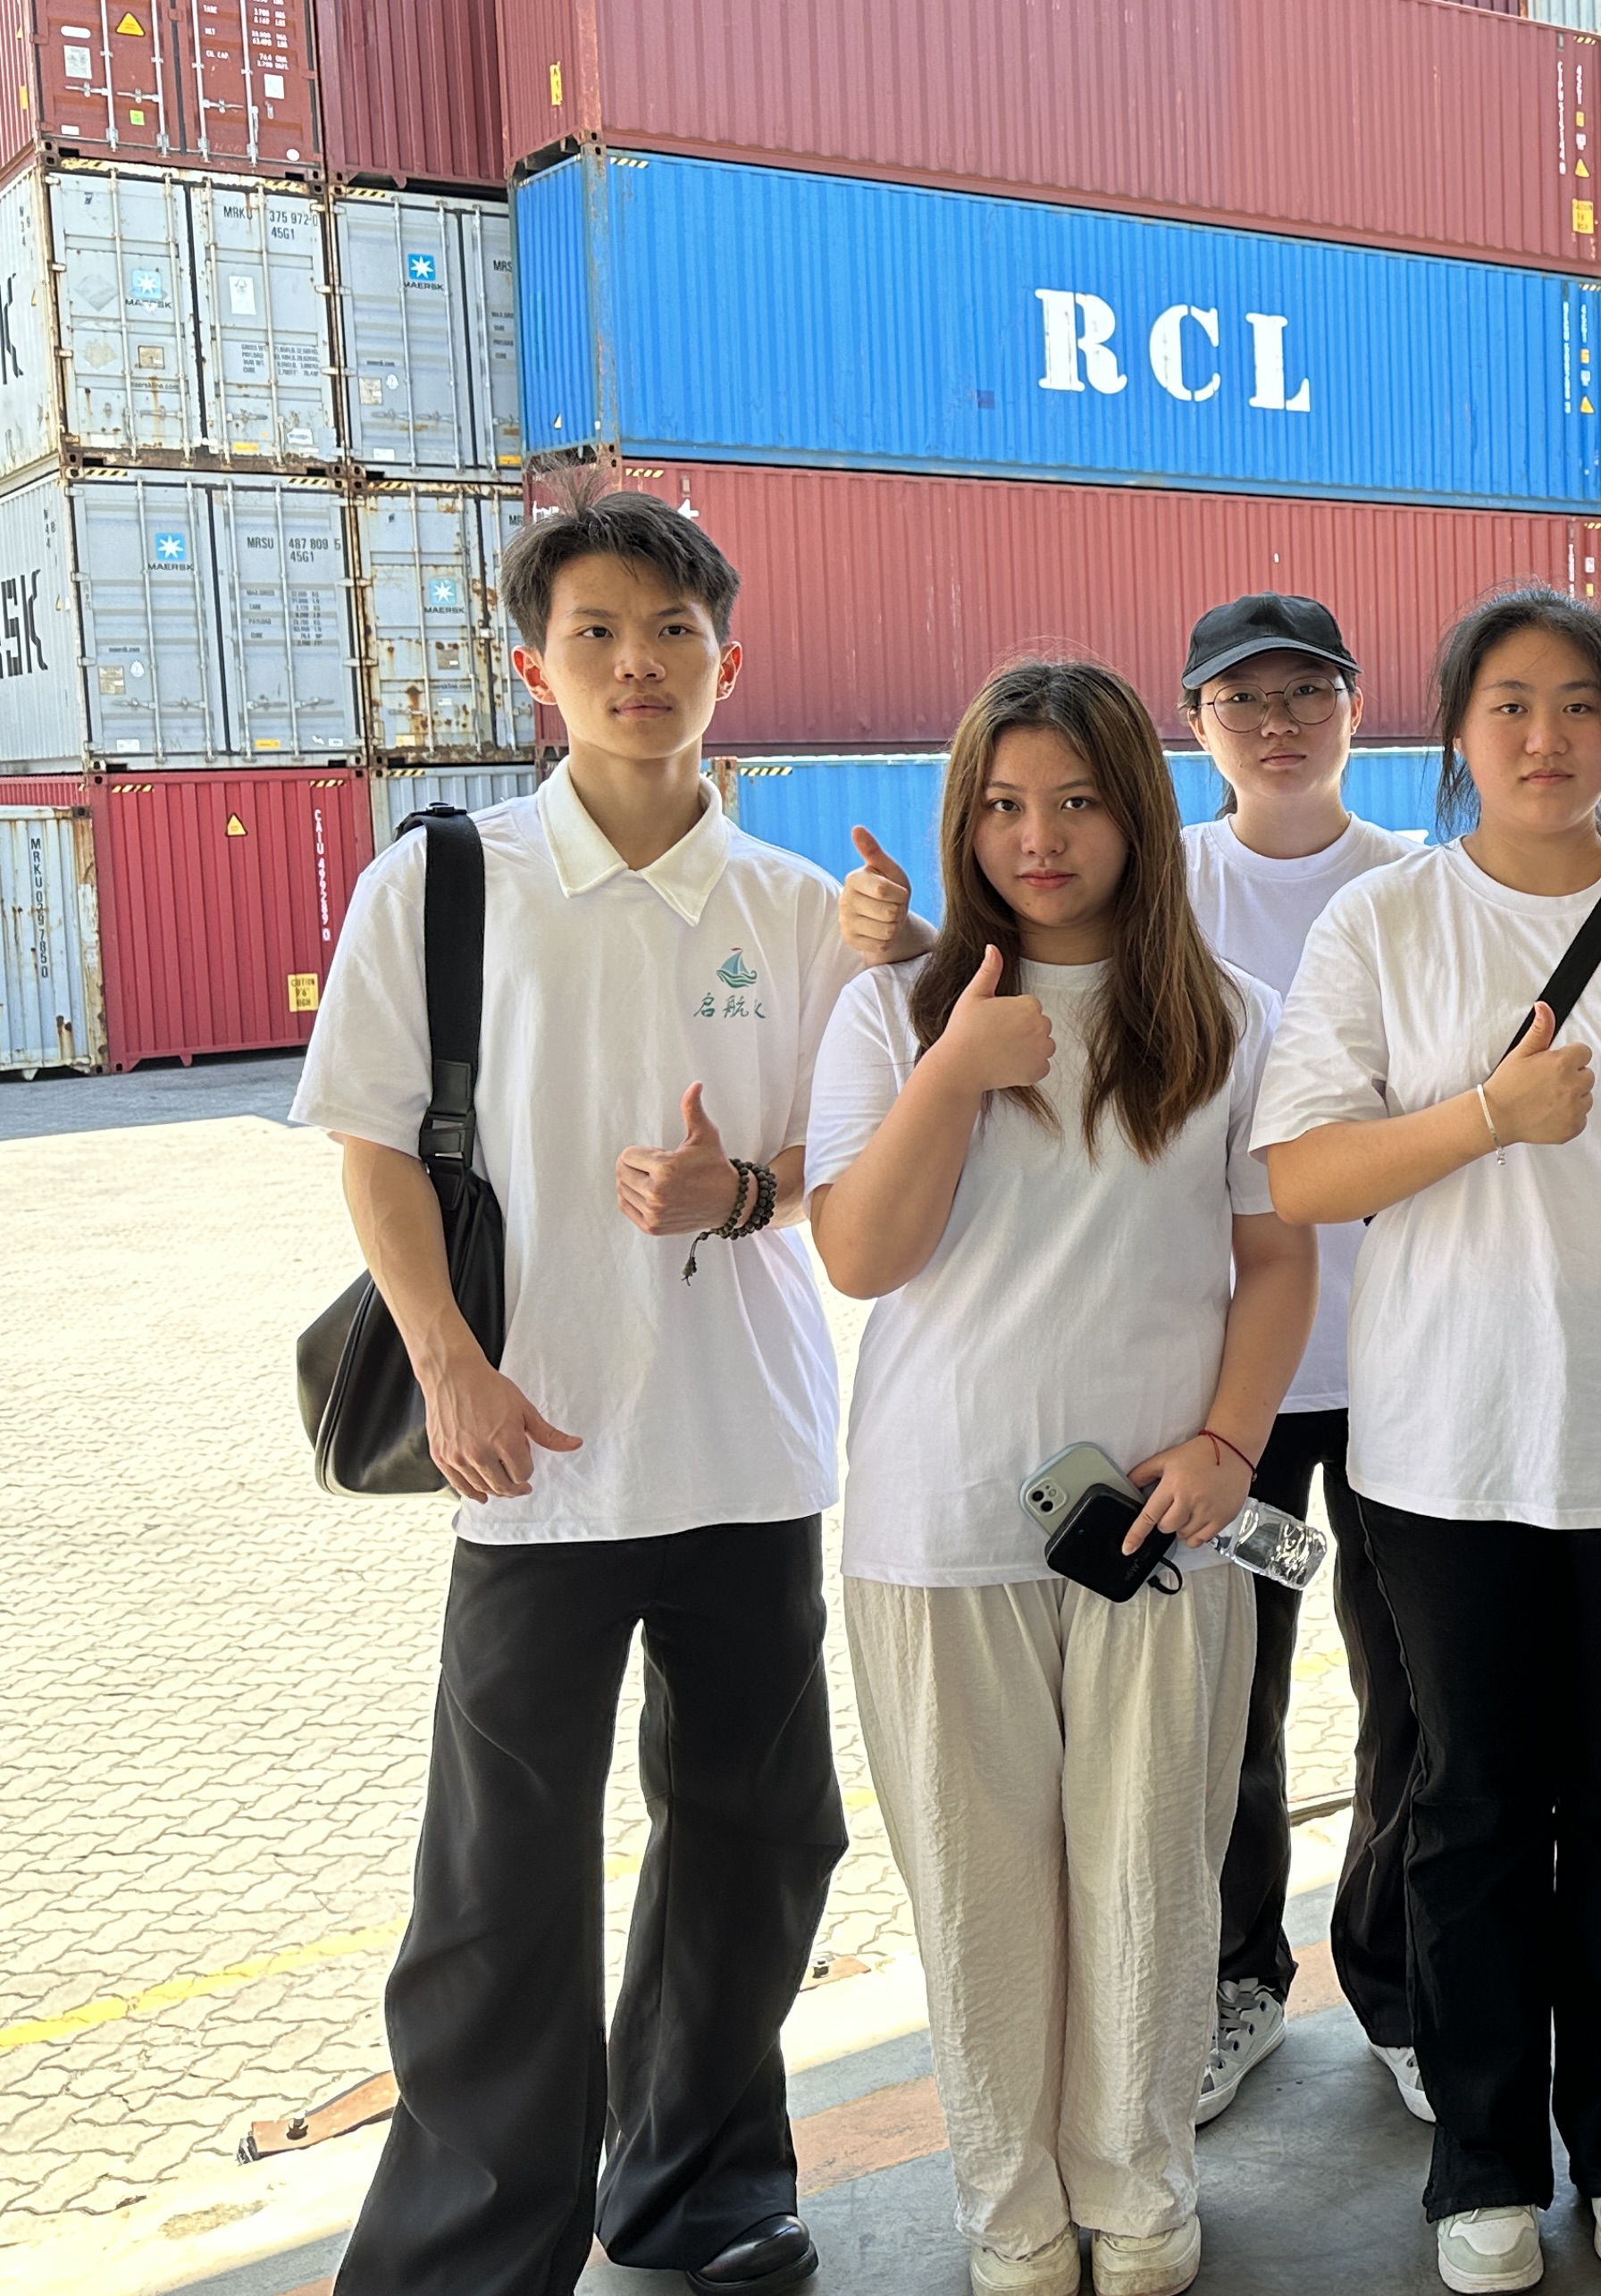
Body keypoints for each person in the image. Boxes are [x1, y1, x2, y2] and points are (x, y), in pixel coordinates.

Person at [296, 496, 859, 2296]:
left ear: (728, 664)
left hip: (747, 1444)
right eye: (597, 631)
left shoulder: (796, 909)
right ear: (534, 665)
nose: (637, 664)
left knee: (763, 1835)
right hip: (529, 1454)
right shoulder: (449, 880)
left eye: (673, 631)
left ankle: (694, 2182)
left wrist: (740, 1190)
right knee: (499, 1879)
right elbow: (374, 1141)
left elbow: (859, 1171)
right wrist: (448, 1363)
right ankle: (471, 2246)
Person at [1251, 591, 1601, 2295]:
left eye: (1577, 703)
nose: (1546, 734)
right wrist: (1486, 1113)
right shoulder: (1386, 923)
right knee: (1471, 1796)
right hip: (1446, 1441)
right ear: (1456, 732)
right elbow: (1302, 1171)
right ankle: (1481, 2152)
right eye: (1509, 703)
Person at [835, 594, 1430, 2131]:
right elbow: (1025, 986)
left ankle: (1397, 1984)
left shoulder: (1407, 890)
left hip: (1381, 1371)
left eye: (1307, 693)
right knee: (1229, 1723)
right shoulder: (1160, 889)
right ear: (1195, 724)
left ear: (1356, 705)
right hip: (1206, 1407)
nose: (1278, 722)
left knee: (1407, 1693)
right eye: (1245, 699)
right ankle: (1230, 1981)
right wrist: (923, 972)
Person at [808, 660, 1314, 2296]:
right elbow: (861, 1253)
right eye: (1006, 805)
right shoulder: (892, 1010)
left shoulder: (1227, 1013)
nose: (1041, 837)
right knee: (982, 1894)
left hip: (1162, 1523)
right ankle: (1010, 2205)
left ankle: (1137, 2182)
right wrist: (956, 1066)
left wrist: (1229, 1443)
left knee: (1150, 1874)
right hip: (936, 1524)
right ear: (964, 821)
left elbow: (1276, 1257)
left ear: (1138, 813)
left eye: (1080, 800)